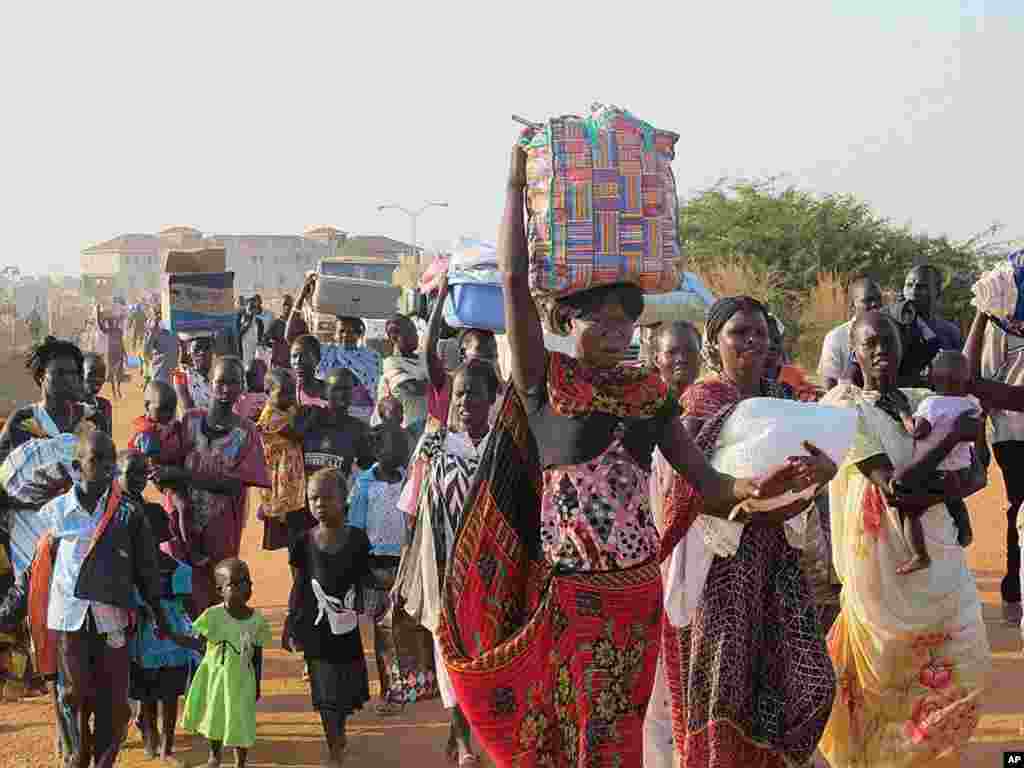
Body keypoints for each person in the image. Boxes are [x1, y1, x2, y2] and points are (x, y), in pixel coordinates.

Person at [434, 139, 812, 768]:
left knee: (616, 740)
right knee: (565, 735)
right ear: (569, 320)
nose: (614, 335)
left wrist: (766, 484)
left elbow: (709, 484)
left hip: (635, 593)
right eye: (600, 322)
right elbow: (511, 280)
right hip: (569, 593)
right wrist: (512, 183)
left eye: (624, 325)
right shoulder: (545, 381)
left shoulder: (651, 394)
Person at [656, 296, 838, 768]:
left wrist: (825, 470)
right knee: (724, 690)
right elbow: (686, 487)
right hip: (722, 567)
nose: (752, 340)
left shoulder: (782, 400)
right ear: (715, 344)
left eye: (759, 331)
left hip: (776, 557)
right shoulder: (700, 401)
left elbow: (815, 467)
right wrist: (749, 498)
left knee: (812, 683)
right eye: (739, 332)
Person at [818, 311, 990, 767]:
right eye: (869, 343)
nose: (880, 351)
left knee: (967, 662)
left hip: (939, 556)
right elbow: (891, 485)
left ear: (901, 346)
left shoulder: (923, 398)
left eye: (888, 341)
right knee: (885, 673)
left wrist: (932, 488)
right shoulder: (843, 407)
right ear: (853, 351)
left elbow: (976, 472)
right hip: (879, 567)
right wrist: (950, 443)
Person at [40, 431, 170, 768]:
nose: (108, 468)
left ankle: (103, 762)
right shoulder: (56, 514)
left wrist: (161, 614)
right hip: (69, 617)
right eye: (97, 460)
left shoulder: (128, 514)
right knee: (74, 694)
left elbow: (146, 568)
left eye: (111, 460)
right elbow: (40, 568)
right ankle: (77, 755)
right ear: (76, 466)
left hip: (112, 616)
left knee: (114, 703)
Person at [150, 357, 271, 612]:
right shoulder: (191, 421)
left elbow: (234, 486)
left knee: (219, 588)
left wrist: (182, 476)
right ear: (211, 383)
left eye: (234, 382)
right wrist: (164, 478)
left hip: (222, 525)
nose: (226, 389)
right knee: (180, 586)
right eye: (221, 382)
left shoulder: (247, 432)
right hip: (181, 525)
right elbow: (166, 461)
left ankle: (214, 647)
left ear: (242, 387)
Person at [283, 468, 373, 767]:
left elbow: (364, 579)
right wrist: (291, 622)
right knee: (325, 693)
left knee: (345, 692)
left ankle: (339, 730)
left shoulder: (358, 540)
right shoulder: (302, 542)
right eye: (313, 498)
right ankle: (334, 747)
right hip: (315, 629)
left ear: (343, 498)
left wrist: (375, 599)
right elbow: (298, 585)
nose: (319, 503)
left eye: (326, 497)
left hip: (346, 629)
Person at [644, 320, 701, 768]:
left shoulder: (714, 416)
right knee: (656, 684)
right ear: (655, 360)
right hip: (651, 564)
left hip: (702, 564)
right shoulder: (641, 420)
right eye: (671, 352)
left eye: (689, 351)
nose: (680, 359)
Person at [121, 451, 197, 766]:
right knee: (150, 694)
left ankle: (162, 745)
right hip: (146, 640)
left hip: (168, 643)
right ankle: (153, 739)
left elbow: (186, 604)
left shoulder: (175, 569)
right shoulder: (119, 509)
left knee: (165, 694)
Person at [175, 558, 272, 768]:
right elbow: (198, 643)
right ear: (220, 590)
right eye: (234, 584)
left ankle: (240, 761)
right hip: (216, 679)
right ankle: (215, 756)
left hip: (243, 679)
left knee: (242, 719)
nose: (242, 588)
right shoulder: (213, 615)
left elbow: (257, 654)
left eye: (246, 582)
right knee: (215, 717)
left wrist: (257, 683)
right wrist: (172, 636)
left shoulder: (257, 621)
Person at [896, 350, 982, 574]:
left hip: (934, 472)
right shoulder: (970, 404)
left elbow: (918, 432)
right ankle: (964, 532)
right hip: (962, 470)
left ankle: (919, 555)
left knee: (910, 510)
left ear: (933, 378)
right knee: (955, 501)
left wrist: (905, 415)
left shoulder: (931, 404)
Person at [964, 308, 1024, 622]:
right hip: (1014, 434)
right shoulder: (1004, 321)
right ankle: (1014, 588)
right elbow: (975, 380)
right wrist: (983, 313)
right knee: (1020, 511)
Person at [347, 423, 409, 716]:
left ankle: (408, 686)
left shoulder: (409, 481)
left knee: (405, 629)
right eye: (393, 445)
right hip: (373, 569)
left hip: (403, 567)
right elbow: (356, 531)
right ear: (376, 450)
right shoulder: (363, 485)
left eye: (402, 445)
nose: (400, 450)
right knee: (382, 634)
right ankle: (388, 691)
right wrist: (360, 571)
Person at [253, 368, 306, 552]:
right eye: (284, 393)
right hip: (279, 471)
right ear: (267, 393)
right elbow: (298, 436)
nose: (290, 397)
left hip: (290, 467)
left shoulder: (286, 407)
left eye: (292, 391)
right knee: (286, 514)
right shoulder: (271, 416)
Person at [818, 276, 883, 391]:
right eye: (867, 300)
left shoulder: (890, 332)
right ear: (852, 305)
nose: (875, 304)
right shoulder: (836, 338)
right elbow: (828, 389)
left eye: (878, 299)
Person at [317, 317, 381, 423]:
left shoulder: (372, 356)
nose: (346, 335)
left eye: (351, 331)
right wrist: (299, 303)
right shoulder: (327, 352)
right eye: (342, 331)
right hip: (331, 411)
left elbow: (374, 386)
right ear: (335, 334)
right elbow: (292, 338)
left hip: (362, 412)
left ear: (359, 334)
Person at [376, 314, 429, 441]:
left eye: (415, 331)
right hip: (408, 430)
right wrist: (440, 382)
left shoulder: (424, 358)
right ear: (394, 338)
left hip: (428, 427)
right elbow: (414, 388)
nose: (416, 336)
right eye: (410, 332)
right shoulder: (391, 363)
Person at [172, 334, 215, 415]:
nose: (202, 352)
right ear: (189, 351)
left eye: (207, 348)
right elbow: (188, 410)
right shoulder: (182, 376)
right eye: (197, 349)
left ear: (212, 350)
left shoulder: (220, 372)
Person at [95, 302, 126, 400]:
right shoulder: (108, 331)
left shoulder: (118, 331)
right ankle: (115, 393)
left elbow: (122, 343)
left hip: (118, 353)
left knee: (119, 374)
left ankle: (118, 390)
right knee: (112, 374)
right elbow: (100, 325)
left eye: (112, 321)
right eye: (110, 321)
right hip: (112, 354)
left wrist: (125, 353)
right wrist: (97, 313)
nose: (112, 322)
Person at [142, 306, 179, 387]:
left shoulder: (174, 326)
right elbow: (146, 352)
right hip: (160, 373)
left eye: (161, 313)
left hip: (173, 371)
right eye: (157, 314)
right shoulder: (152, 329)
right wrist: (152, 332)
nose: (159, 316)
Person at [290, 334, 328, 406]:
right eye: (294, 356)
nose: (298, 361)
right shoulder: (287, 390)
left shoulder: (330, 389)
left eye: (305, 356)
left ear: (318, 359)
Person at [82, 353, 113, 435]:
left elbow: (107, 440)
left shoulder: (105, 406)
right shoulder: (69, 407)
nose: (97, 379)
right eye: (91, 374)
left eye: (101, 375)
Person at [239, 296, 265, 369]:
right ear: (246, 306)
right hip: (243, 354)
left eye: (254, 307)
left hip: (254, 353)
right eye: (250, 307)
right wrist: (246, 325)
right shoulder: (239, 319)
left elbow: (260, 339)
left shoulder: (259, 322)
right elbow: (237, 336)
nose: (252, 309)